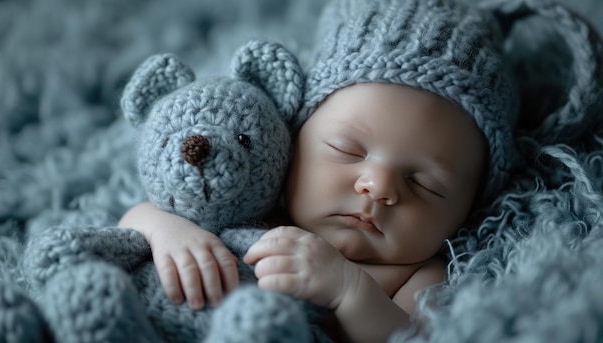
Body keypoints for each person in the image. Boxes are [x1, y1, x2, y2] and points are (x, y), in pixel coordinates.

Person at [119, 0, 518, 341]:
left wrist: (350, 290)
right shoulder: (255, 203)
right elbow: (135, 221)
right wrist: (171, 231)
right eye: (347, 150)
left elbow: (409, 336)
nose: (377, 186)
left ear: (470, 204)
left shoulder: (416, 276)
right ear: (296, 139)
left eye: (425, 184)